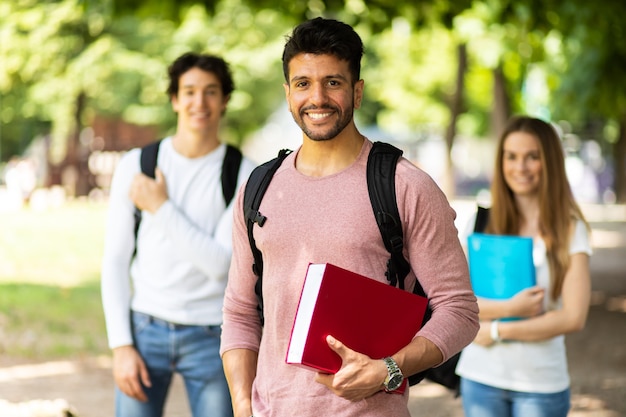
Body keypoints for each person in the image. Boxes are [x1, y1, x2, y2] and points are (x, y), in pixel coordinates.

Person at [220, 17, 479, 417]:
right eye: (303, 83)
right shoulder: (259, 188)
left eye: (333, 82)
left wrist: (388, 370)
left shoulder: (405, 186)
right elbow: (239, 312)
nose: (317, 97)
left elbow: (459, 310)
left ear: (357, 92)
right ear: (288, 93)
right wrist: (242, 405)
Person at [101, 52, 255, 417]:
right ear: (174, 99)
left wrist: (160, 208)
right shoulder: (138, 165)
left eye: (210, 91)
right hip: (145, 329)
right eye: (188, 91)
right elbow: (115, 260)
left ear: (225, 99)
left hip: (212, 336)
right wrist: (121, 345)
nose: (198, 102)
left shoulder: (243, 173)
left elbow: (220, 265)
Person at [455, 116, 592, 417]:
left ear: (550, 162)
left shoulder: (570, 229)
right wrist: (509, 308)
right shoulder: (479, 224)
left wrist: (498, 330)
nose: (520, 167)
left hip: (541, 385)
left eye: (532, 157)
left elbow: (573, 317)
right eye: (512, 156)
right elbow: (457, 303)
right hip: (480, 377)